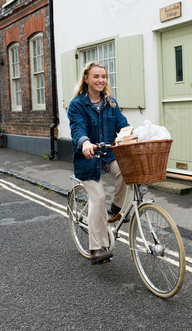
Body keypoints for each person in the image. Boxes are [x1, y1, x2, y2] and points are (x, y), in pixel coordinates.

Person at [68, 61, 129, 265]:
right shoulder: (77, 104)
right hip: (88, 160)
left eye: (103, 76)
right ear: (86, 79)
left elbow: (123, 125)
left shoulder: (110, 103)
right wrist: (84, 142)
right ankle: (97, 248)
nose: (101, 80)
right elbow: (78, 129)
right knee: (98, 197)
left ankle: (116, 209)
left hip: (108, 157)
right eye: (96, 76)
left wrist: (136, 135)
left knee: (127, 170)